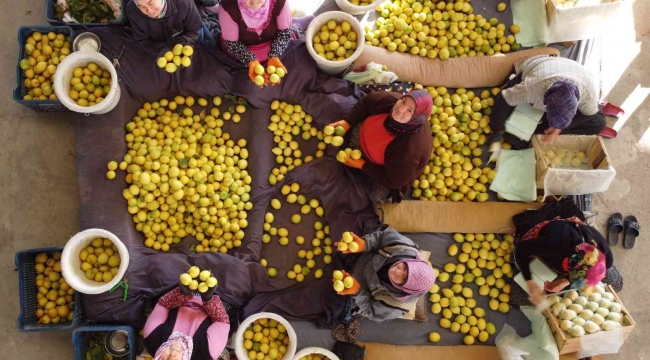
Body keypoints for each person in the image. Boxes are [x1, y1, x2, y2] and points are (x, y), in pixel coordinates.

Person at [327, 90, 433, 203]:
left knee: (359, 198)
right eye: (403, 101)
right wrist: (347, 122)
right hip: (360, 137)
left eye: (410, 110)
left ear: (416, 119)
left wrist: (362, 165)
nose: (401, 109)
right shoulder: (390, 100)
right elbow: (366, 102)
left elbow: (393, 181)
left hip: (382, 171)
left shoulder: (410, 150)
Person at [489, 55, 606, 150]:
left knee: (599, 123)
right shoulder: (531, 87)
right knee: (515, 138)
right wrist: (497, 131)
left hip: (574, 74)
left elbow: (588, 114)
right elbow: (503, 98)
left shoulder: (589, 95)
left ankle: (554, 124)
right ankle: (546, 124)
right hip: (537, 68)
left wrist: (559, 127)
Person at [333, 227, 436, 322]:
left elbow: (369, 310)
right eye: (405, 267)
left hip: (352, 290)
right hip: (360, 255)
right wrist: (364, 244)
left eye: (404, 278)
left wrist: (357, 290)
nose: (398, 271)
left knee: (329, 303)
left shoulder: (395, 305)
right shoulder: (404, 247)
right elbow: (380, 238)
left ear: (405, 289)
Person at [218, 0, 312, 87]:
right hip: (243, 50)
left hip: (275, 43)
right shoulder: (228, 7)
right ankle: (293, 23)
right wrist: (250, 60)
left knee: (298, 73)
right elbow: (232, 43)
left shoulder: (279, 2)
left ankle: (295, 24)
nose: (253, 1)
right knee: (250, 87)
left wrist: (275, 55)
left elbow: (284, 32)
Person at [144, 282, 231, 360]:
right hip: (218, 301)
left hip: (178, 294)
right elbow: (221, 320)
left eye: (163, 359)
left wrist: (183, 293)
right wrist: (208, 299)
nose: (172, 354)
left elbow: (163, 304)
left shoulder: (152, 341)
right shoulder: (206, 354)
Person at [127, 0, 208, 52]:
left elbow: (195, 29)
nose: (149, 11)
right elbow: (142, 40)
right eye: (142, 7)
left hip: (189, 42)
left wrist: (184, 42)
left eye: (150, 3)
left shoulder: (184, 3)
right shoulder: (132, 11)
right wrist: (161, 49)